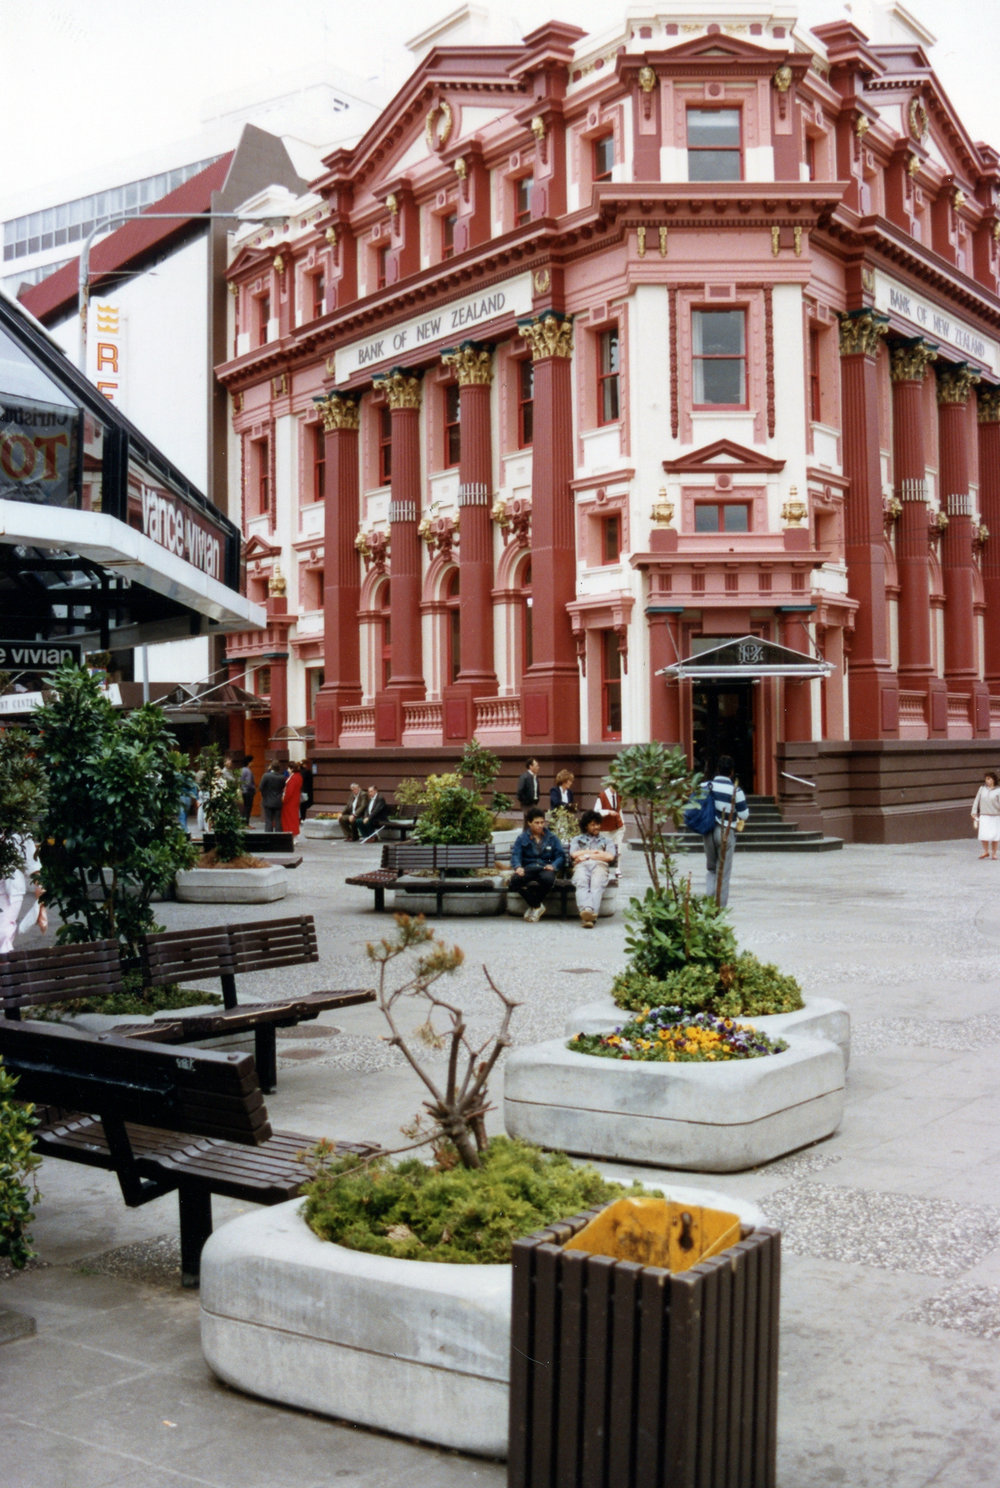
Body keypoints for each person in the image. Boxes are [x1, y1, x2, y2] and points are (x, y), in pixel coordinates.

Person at [703, 755, 749, 907]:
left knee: (711, 868)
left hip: (708, 831)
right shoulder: (736, 791)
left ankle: (709, 903)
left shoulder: (706, 786)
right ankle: (720, 907)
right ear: (731, 772)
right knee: (723, 871)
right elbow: (744, 815)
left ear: (717, 770)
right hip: (726, 831)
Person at [510, 807, 566, 921]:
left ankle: (534, 906)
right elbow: (516, 855)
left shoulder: (552, 837)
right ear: (529, 823)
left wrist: (554, 866)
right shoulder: (522, 838)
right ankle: (537, 905)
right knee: (514, 882)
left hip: (544, 868)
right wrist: (518, 867)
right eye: (536, 823)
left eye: (542, 822)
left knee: (548, 880)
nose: (540, 825)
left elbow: (560, 856)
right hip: (529, 868)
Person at [0, 834, 48, 955]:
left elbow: (32, 864)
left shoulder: (17, 830)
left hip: (9, 891)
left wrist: (41, 903)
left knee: (3, 934)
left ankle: (4, 969)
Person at [569, 810, 616, 928]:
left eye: (598, 824)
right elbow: (574, 854)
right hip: (581, 866)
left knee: (597, 883)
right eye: (593, 824)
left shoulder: (607, 841)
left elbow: (609, 856)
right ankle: (590, 915)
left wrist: (587, 855)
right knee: (581, 882)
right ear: (586, 825)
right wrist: (596, 852)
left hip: (600, 865)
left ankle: (587, 913)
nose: (597, 827)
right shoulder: (577, 839)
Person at [593, 782, 626, 873]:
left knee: (618, 848)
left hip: (617, 827)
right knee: (606, 849)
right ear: (610, 785)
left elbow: (620, 810)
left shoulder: (619, 795)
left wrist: (622, 822)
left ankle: (617, 868)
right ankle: (604, 868)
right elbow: (596, 811)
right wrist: (608, 812)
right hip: (605, 828)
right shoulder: (602, 796)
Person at [971, 770, 1000, 859]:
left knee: (995, 835)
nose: (987, 781)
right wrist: (974, 812)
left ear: (993, 780)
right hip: (984, 815)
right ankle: (986, 851)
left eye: (989, 779)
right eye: (986, 779)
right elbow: (977, 800)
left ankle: (994, 853)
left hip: (995, 815)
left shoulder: (998, 790)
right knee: (984, 834)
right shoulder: (982, 789)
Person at [259, 761, 287, 832]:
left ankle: (269, 836)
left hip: (267, 800)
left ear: (271, 767)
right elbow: (283, 788)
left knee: (268, 820)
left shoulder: (266, 776)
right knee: (278, 820)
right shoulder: (282, 777)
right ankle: (278, 836)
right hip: (278, 801)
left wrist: (264, 795)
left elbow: (261, 787)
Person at [281, 762, 305, 836]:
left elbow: (289, 791)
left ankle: (291, 834)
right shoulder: (298, 776)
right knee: (294, 818)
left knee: (289, 819)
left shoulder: (293, 778)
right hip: (294, 800)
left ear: (292, 769)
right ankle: (294, 834)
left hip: (290, 802)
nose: (287, 770)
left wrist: (284, 799)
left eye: (288, 768)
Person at [239, 757, 257, 824]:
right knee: (248, 808)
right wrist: (254, 788)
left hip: (242, 791)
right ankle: (246, 822)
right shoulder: (248, 771)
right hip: (248, 792)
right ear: (249, 762)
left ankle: (243, 822)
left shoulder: (241, 770)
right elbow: (249, 783)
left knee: (243, 807)